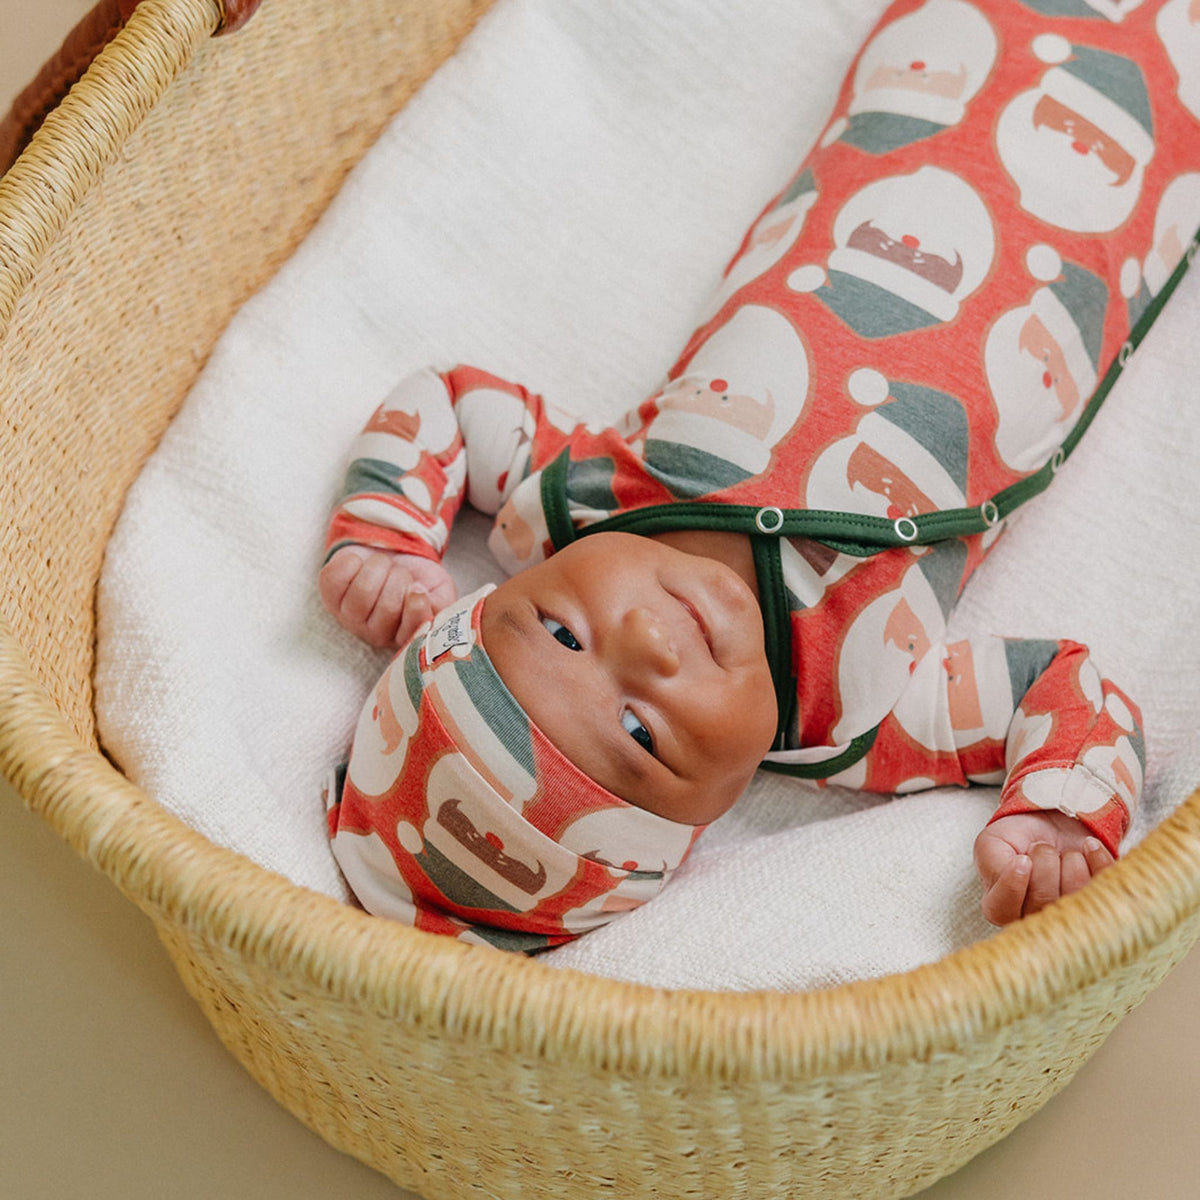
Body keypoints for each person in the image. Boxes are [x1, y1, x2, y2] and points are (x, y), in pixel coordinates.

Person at [318, 0, 1197, 952]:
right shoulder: (856, 715)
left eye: (563, 632)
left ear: (508, 587)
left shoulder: (581, 498)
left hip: (938, 66)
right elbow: (1064, 689)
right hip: (1141, 151)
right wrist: (1058, 819)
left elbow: (447, 401)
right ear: (696, 830)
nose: (648, 638)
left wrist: (384, 538)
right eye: (642, 736)